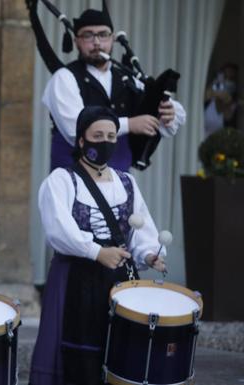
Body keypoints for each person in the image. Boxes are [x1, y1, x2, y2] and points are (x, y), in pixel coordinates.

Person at [29, 106, 167, 385]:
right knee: (79, 352)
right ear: (82, 140)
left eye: (111, 136)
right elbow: (59, 230)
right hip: (76, 278)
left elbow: (139, 230)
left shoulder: (126, 182)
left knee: (119, 350)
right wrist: (96, 252)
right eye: (98, 135)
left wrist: (148, 253)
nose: (105, 141)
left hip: (118, 278)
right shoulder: (61, 180)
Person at [42, 9, 186, 172]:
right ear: (76, 41)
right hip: (72, 180)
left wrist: (168, 112)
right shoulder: (64, 77)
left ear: (112, 39)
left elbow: (176, 115)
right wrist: (130, 124)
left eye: (103, 34)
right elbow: (73, 128)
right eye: (88, 35)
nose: (97, 42)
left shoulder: (129, 79)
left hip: (118, 180)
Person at [204, 63, 239, 137]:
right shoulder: (210, 99)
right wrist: (216, 84)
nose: (228, 80)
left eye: (231, 77)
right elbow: (207, 95)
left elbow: (226, 98)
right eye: (226, 76)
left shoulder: (232, 102)